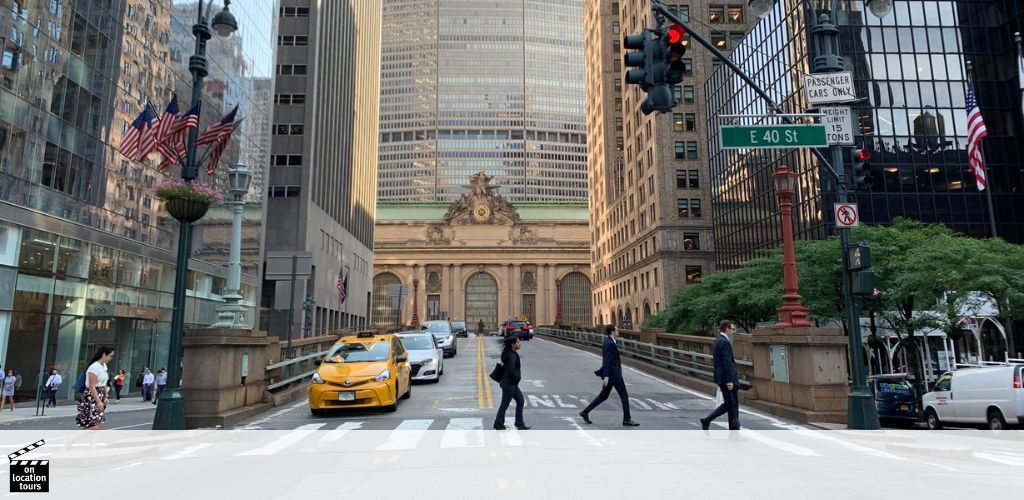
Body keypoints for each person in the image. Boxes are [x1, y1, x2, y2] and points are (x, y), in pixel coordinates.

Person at [579, 325, 640, 427]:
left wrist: (607, 375)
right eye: (617, 329)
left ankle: (585, 412)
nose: (618, 331)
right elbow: (607, 360)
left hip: (611, 374)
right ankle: (627, 419)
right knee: (624, 396)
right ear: (612, 331)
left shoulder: (608, 341)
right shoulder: (610, 343)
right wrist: (606, 376)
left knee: (603, 395)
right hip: (614, 375)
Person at [701, 320, 741, 431]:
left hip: (722, 378)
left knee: (730, 404)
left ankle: (707, 420)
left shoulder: (717, 341)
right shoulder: (725, 342)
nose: (733, 331)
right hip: (727, 378)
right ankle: (734, 430)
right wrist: (729, 380)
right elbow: (726, 362)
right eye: (732, 329)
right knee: (732, 404)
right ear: (727, 329)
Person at [493, 336, 529, 430]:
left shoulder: (510, 353)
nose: (519, 344)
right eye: (517, 342)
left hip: (510, 383)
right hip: (509, 383)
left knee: (520, 400)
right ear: (512, 344)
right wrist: (517, 378)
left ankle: (519, 423)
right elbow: (511, 370)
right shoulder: (511, 356)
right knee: (505, 404)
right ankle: (498, 424)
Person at [76, 346, 115, 430]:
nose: (111, 358)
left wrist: (105, 395)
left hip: (100, 394)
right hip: (92, 396)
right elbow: (91, 386)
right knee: (94, 425)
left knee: (99, 423)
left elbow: (104, 382)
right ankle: (71, 439)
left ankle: (93, 444)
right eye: (110, 356)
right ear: (104, 355)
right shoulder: (94, 367)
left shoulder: (103, 366)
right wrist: (98, 401)